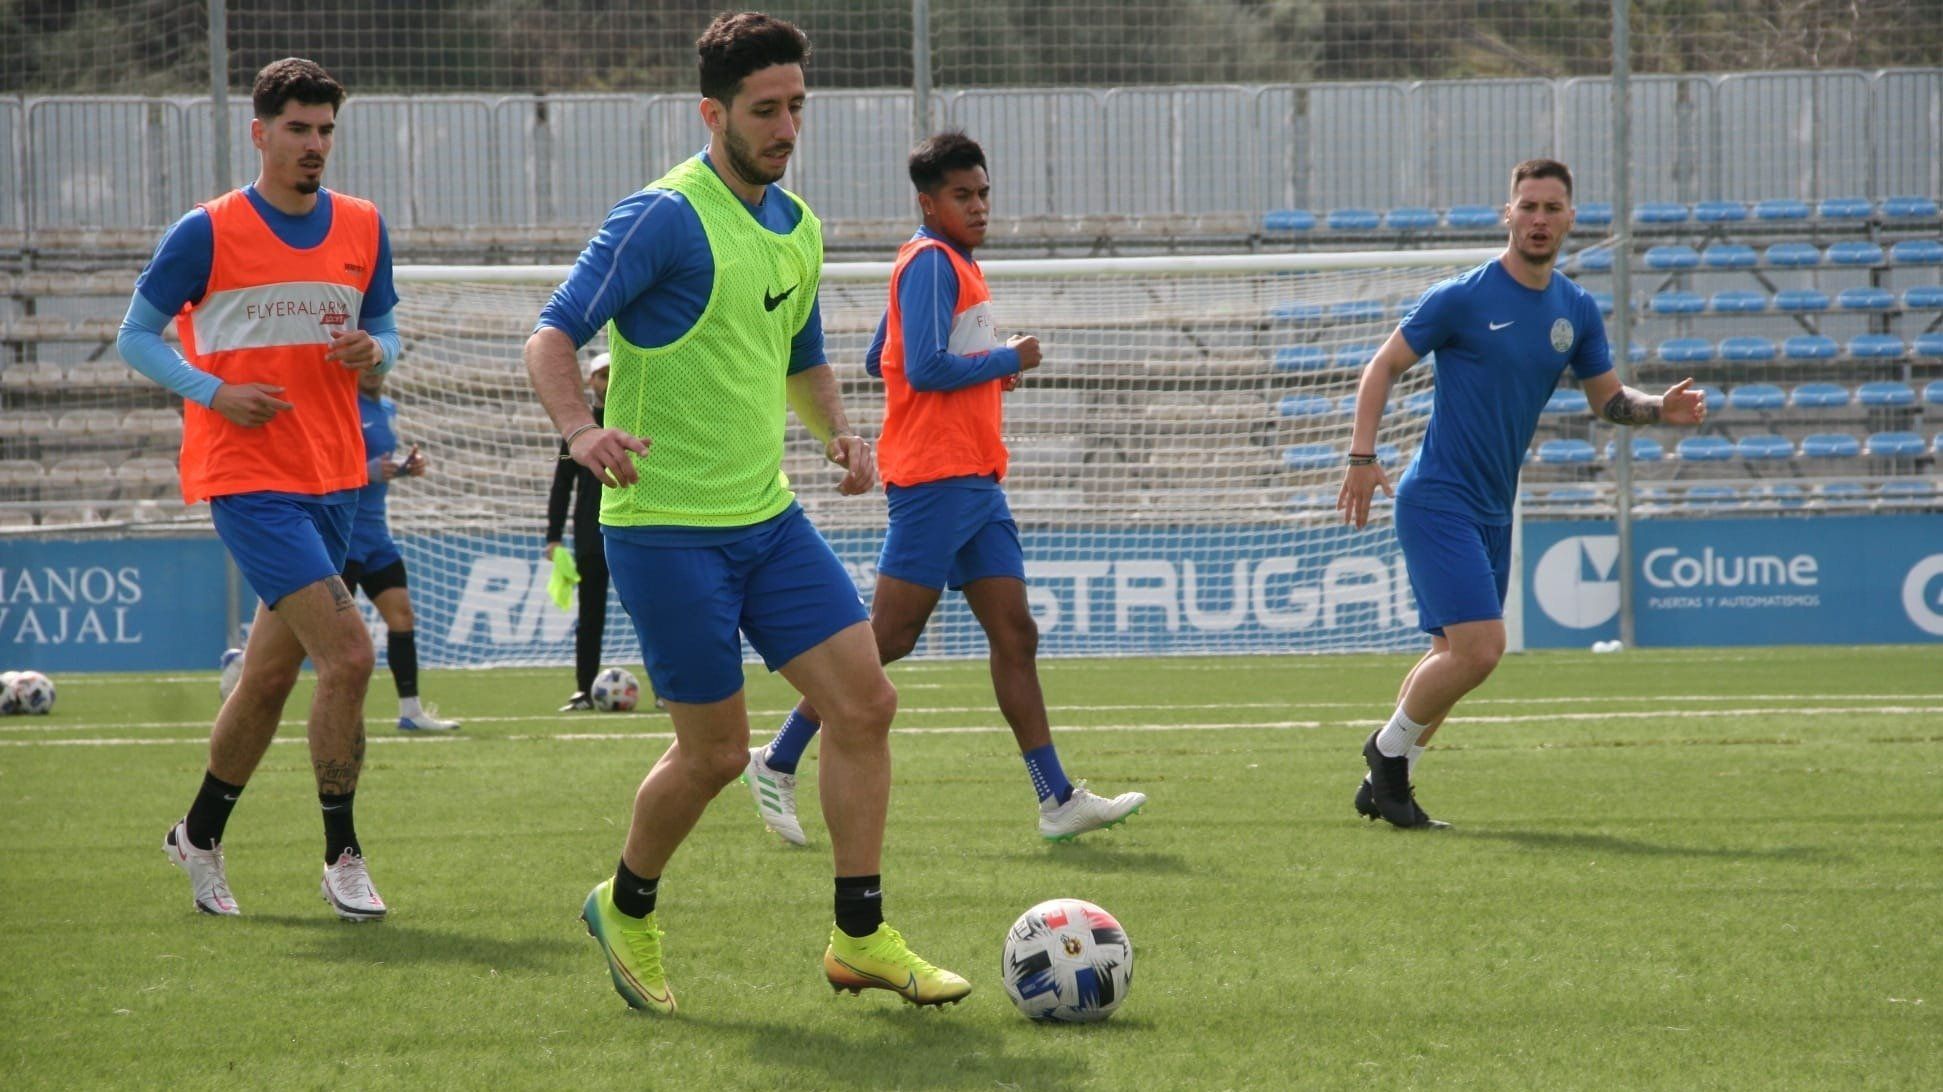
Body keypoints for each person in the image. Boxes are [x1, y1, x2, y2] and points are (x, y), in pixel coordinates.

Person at [522, 12, 969, 1014]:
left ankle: (860, 937)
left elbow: (801, 355)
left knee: (866, 703)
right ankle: (624, 902)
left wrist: (836, 436)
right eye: (763, 110)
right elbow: (551, 335)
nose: (783, 127)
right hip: (665, 530)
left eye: (795, 107)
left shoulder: (794, 225)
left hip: (764, 521)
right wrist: (577, 433)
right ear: (710, 112)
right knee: (716, 755)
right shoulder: (661, 216)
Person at [746, 131, 1146, 847]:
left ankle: (1056, 798)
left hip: (975, 476)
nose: (978, 206)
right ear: (928, 204)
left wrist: (985, 365)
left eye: (984, 192)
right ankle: (776, 758)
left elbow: (881, 357)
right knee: (889, 638)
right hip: (934, 476)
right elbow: (923, 369)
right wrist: (1002, 358)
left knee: (1014, 634)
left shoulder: (944, 261)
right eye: (962, 196)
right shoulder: (931, 261)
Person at [1336, 157, 1706, 829]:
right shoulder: (1463, 296)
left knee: (1451, 657)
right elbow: (1382, 365)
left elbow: (1607, 400)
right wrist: (1361, 455)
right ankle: (1385, 755)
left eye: (1551, 208)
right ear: (1507, 214)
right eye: (1527, 207)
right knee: (1480, 650)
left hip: (1491, 505)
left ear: (1569, 218)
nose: (1538, 219)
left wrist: (1657, 409)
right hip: (1436, 495)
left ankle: (1386, 783)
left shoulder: (1574, 308)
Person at [118, 58, 399, 919]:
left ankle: (197, 834)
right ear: (260, 133)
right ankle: (342, 853)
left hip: (337, 474)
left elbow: (383, 327)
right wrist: (214, 392)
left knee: (270, 680)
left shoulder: (361, 224)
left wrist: (376, 355)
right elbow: (136, 336)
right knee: (350, 655)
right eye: (298, 130)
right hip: (247, 477)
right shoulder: (206, 231)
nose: (315, 146)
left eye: (325, 132)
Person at [343, 369, 460, 732]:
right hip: (342, 534)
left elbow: (381, 466)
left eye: (378, 364)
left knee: (403, 617)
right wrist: (367, 472)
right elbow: (322, 464)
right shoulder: (342, 405)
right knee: (324, 631)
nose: (373, 371)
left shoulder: (388, 409)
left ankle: (410, 712)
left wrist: (406, 469)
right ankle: (244, 662)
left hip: (376, 535)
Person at [545, 351, 618, 711]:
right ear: (591, 382)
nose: (607, 381)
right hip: (591, 535)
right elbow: (562, 483)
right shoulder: (579, 427)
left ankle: (670, 692)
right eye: (601, 375)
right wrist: (553, 536)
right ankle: (585, 690)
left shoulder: (635, 416)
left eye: (611, 374)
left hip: (636, 530)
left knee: (652, 612)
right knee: (590, 616)